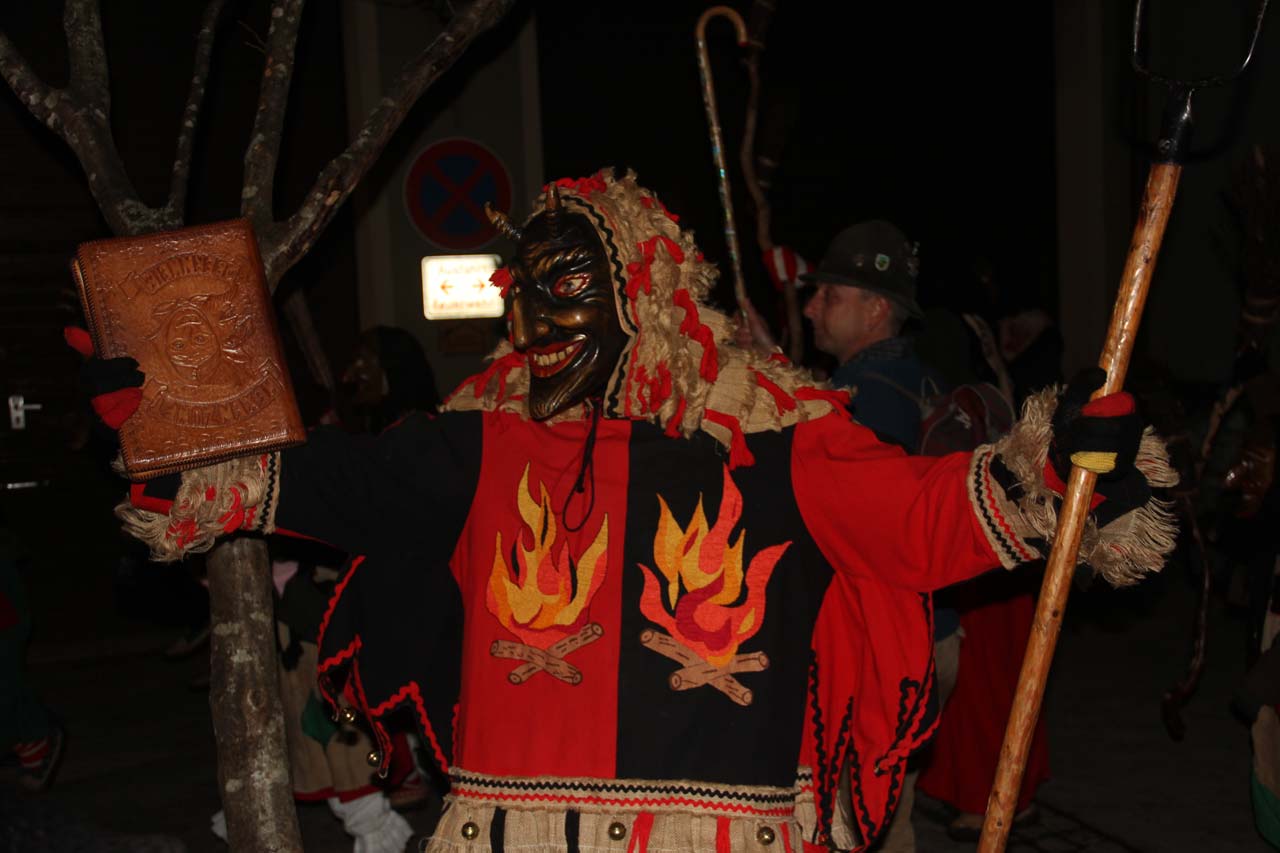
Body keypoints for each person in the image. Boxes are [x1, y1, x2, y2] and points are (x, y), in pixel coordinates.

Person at [86, 170, 1175, 852]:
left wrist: (1065, 467)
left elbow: (934, 513)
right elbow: (301, 479)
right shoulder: (476, 446)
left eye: (566, 290)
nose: (534, 324)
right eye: (524, 294)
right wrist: (168, 423)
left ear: (641, 296)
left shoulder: (779, 442)